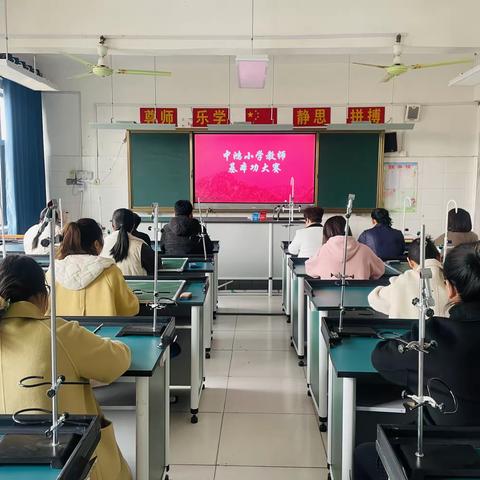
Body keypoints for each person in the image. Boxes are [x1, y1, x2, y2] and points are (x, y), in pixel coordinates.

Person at [355, 241, 480, 480]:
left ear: (451, 289)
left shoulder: (435, 338)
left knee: (364, 455)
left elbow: (381, 358)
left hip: (442, 459)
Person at [0, 255, 132, 479]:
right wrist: (119, 346)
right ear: (42, 295)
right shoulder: (58, 333)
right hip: (61, 453)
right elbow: (115, 364)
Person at [53, 218, 139, 316]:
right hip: (101, 330)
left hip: (61, 330)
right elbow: (129, 309)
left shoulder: (52, 272)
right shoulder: (110, 271)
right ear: (96, 244)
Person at [368, 237, 449, 319]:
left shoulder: (400, 282)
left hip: (407, 331)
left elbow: (373, 299)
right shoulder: (451, 279)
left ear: (410, 262)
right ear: (439, 257)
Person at [305, 215, 385, 279]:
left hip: (329, 297)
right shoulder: (365, 250)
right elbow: (380, 270)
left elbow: (310, 270)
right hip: (360, 297)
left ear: (327, 232)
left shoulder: (323, 251)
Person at [102, 209, 156, 276]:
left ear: (113, 226)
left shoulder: (102, 244)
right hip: (136, 286)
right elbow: (156, 267)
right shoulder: (141, 246)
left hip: (109, 286)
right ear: (133, 226)